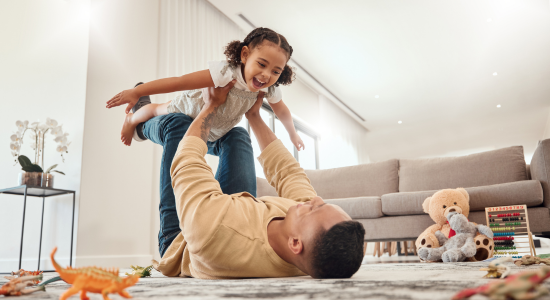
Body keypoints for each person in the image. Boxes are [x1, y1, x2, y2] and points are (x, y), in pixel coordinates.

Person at [148, 83, 366, 279]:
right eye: (322, 204)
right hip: (231, 212)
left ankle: (140, 125)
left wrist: (211, 105)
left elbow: (187, 162)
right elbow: (289, 173)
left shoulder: (212, 231)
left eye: (313, 209)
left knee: (178, 125)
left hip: (182, 239)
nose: (315, 199)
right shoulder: (310, 249)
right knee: (238, 136)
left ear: (295, 243)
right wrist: (254, 115)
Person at [105, 27, 305, 152]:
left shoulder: (268, 90)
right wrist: (137, 92)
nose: (267, 75)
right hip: (190, 108)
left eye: (276, 71)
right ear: (245, 55)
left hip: (213, 128)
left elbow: (282, 111)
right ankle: (133, 118)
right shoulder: (227, 72)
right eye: (261, 64)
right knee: (158, 109)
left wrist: (292, 134)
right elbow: (179, 82)